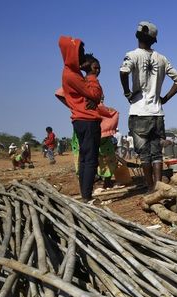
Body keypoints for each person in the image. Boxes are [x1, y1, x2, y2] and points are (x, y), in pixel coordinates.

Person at [120, 21, 177, 192]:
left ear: (137, 35)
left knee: (144, 155)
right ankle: (159, 186)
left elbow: (123, 71)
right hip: (157, 113)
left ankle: (150, 188)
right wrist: (165, 98)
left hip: (138, 112)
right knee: (157, 154)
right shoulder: (161, 58)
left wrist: (127, 92)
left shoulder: (132, 55)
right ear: (153, 40)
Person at [59, 36, 103, 202]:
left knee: (84, 158)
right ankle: (87, 196)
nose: (83, 56)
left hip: (80, 120)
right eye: (81, 52)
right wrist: (91, 75)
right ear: (72, 53)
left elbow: (90, 95)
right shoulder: (73, 75)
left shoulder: (71, 73)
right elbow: (95, 94)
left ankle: (85, 194)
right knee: (90, 159)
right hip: (88, 120)